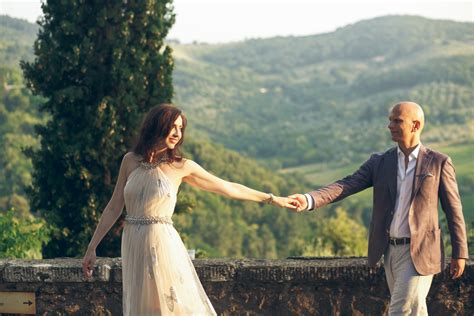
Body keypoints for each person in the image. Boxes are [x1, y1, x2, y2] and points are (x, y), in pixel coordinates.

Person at [82, 104, 299, 315]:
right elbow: (114, 206)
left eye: (180, 128)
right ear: (157, 126)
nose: (177, 133)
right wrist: (92, 247)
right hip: (132, 243)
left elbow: (228, 187)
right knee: (144, 309)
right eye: (172, 127)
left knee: (169, 306)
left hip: (161, 243)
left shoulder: (181, 166)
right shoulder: (130, 160)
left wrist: (272, 198)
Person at [290, 102, 468, 315]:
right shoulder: (380, 162)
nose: (390, 125)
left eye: (397, 120)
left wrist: (460, 253)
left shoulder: (438, 163)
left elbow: (454, 210)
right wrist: (309, 199)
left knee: (400, 310)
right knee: (412, 311)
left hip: (420, 251)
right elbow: (347, 184)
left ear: (415, 125)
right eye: (390, 120)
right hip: (389, 251)